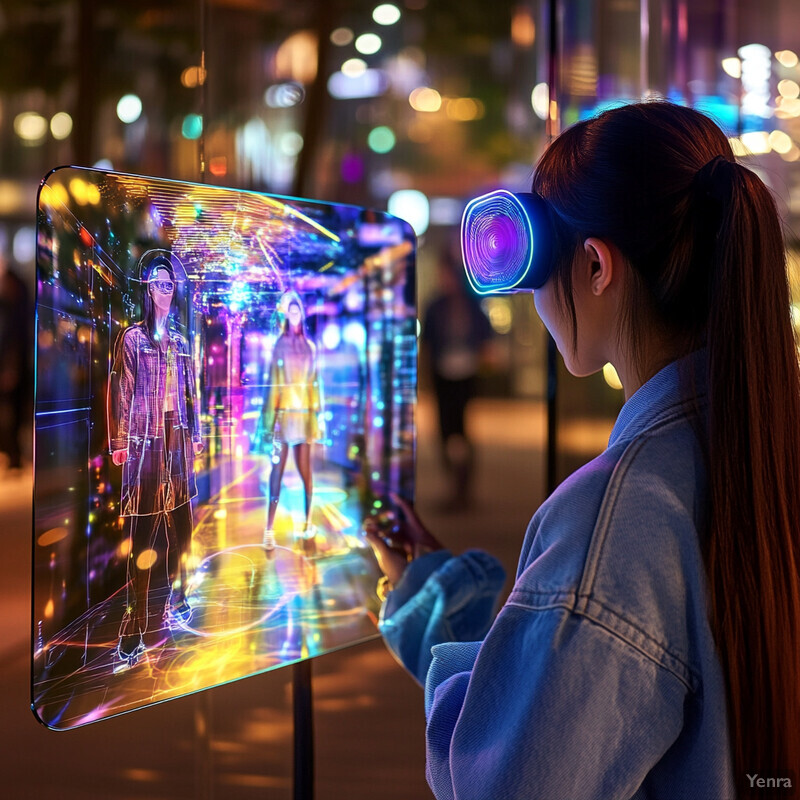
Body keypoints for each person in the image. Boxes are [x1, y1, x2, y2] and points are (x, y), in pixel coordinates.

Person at [366, 101, 800, 799]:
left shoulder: (617, 515)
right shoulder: (765, 447)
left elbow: (512, 786)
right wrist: (463, 625)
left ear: (596, 265)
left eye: (535, 267)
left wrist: (434, 622)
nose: (536, 300)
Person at [108, 256, 203, 668]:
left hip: (175, 434)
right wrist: (118, 439)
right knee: (144, 528)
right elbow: (122, 388)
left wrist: (196, 434)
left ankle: (179, 595)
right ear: (147, 288)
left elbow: (191, 392)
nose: (166, 291)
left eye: (171, 285)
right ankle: (134, 624)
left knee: (181, 521)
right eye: (159, 284)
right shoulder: (133, 339)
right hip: (145, 437)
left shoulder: (180, 343)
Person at [421, 248, 494, 509]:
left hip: (465, 373)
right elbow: (428, 343)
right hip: (443, 374)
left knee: (461, 430)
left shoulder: (471, 305)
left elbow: (485, 336)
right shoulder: (435, 306)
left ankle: (464, 487)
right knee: (444, 430)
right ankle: (454, 485)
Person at [260, 291, 322, 557]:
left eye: (298, 311)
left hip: (304, 416)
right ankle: (269, 529)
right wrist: (269, 423)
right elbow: (273, 384)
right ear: (287, 315)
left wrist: (316, 419)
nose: (294, 316)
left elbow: (314, 384)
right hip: (284, 418)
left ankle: (308, 523)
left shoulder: (310, 347)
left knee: (306, 472)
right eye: (291, 311)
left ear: (302, 315)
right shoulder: (279, 345)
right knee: (277, 472)